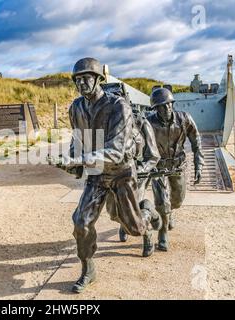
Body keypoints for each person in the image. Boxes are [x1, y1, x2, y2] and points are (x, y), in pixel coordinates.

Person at [60, 58, 161, 293]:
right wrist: (70, 162)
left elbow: (116, 149)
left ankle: (148, 215)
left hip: (122, 173)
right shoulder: (76, 107)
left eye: (86, 78)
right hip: (97, 175)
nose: (81, 83)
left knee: (132, 227)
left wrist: (79, 160)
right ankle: (88, 270)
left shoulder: (118, 106)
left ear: (98, 80)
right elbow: (78, 140)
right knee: (81, 223)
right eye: (77, 80)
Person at [147, 88, 204, 251]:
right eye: (162, 106)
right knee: (162, 202)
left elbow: (196, 142)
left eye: (169, 105)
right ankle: (163, 232)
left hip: (178, 166)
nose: (167, 109)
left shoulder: (184, 119)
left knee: (177, 200)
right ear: (155, 108)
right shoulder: (149, 122)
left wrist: (198, 165)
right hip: (158, 168)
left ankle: (169, 213)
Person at [113, 105, 161, 245]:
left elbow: (153, 156)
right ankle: (125, 223)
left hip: (137, 175)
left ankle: (147, 233)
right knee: (114, 212)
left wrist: (140, 170)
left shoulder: (140, 122)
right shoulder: (106, 125)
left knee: (134, 210)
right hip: (114, 176)